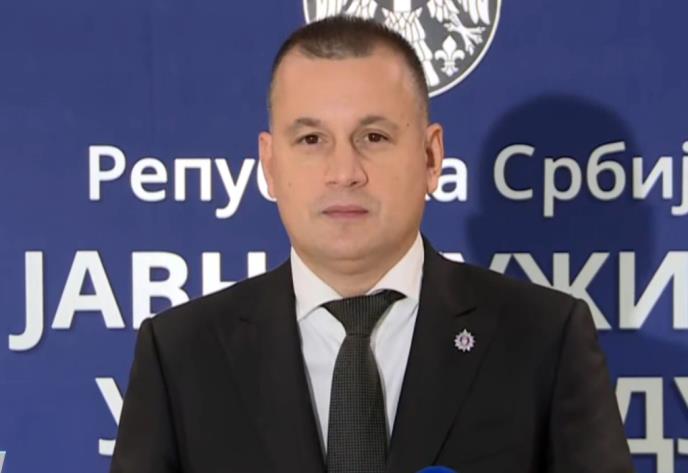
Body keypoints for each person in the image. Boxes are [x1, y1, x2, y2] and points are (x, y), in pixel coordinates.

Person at [110, 16, 634, 473]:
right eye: (311, 140)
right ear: (269, 164)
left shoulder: (544, 339)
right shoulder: (180, 354)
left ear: (431, 157)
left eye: (374, 137)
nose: (344, 172)